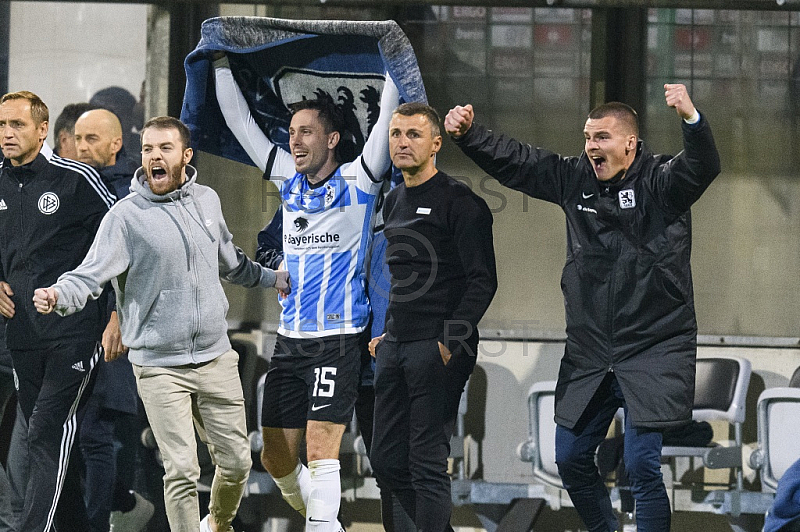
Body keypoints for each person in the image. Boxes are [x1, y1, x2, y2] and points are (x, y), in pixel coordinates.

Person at [444, 85, 721, 532]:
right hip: (591, 348)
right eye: (588, 139)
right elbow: (521, 163)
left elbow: (703, 166)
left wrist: (691, 118)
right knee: (569, 458)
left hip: (655, 345)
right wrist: (470, 135)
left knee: (641, 464)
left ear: (630, 143)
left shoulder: (661, 182)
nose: (592, 147)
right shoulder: (574, 178)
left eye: (603, 138)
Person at [33, 116, 290, 532]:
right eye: (148, 149)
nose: (154, 156)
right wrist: (59, 295)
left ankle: (217, 524)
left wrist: (269, 277)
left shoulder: (207, 200)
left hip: (215, 358)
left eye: (164, 148)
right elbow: (89, 274)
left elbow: (232, 262)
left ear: (185, 156)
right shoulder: (125, 217)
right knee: (183, 471)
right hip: (158, 366)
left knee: (238, 461)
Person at [214, 55, 399, 531]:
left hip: (339, 339)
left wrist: (396, 55)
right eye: (292, 132)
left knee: (321, 448)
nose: (294, 140)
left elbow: (387, 116)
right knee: (276, 457)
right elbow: (239, 120)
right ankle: (320, 518)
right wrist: (216, 58)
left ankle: (321, 525)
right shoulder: (286, 181)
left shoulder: (361, 180)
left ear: (332, 139)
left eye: (306, 132)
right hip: (291, 342)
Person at [367, 102, 497, 532]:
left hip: (437, 349)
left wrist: (448, 341)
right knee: (385, 461)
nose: (402, 142)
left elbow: (483, 282)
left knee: (426, 463)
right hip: (396, 345)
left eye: (414, 135)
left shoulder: (462, 202)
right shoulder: (393, 199)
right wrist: (389, 333)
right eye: (396, 134)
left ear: (436, 144)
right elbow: (402, 276)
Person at [0, 90, 116, 532]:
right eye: (2, 125)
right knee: (44, 442)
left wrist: (117, 316)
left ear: (43, 129)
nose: (7, 134)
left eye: (18, 125)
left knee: (47, 430)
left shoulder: (77, 179)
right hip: (22, 337)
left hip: (74, 334)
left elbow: (122, 244)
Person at [72, 108, 154, 532]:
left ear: (116, 144)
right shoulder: (76, 186)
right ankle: (119, 505)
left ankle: (100, 520)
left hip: (114, 326)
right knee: (78, 434)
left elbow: (138, 265)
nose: (81, 147)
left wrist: (119, 316)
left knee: (95, 433)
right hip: (75, 327)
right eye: (78, 139)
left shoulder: (128, 192)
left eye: (91, 139)